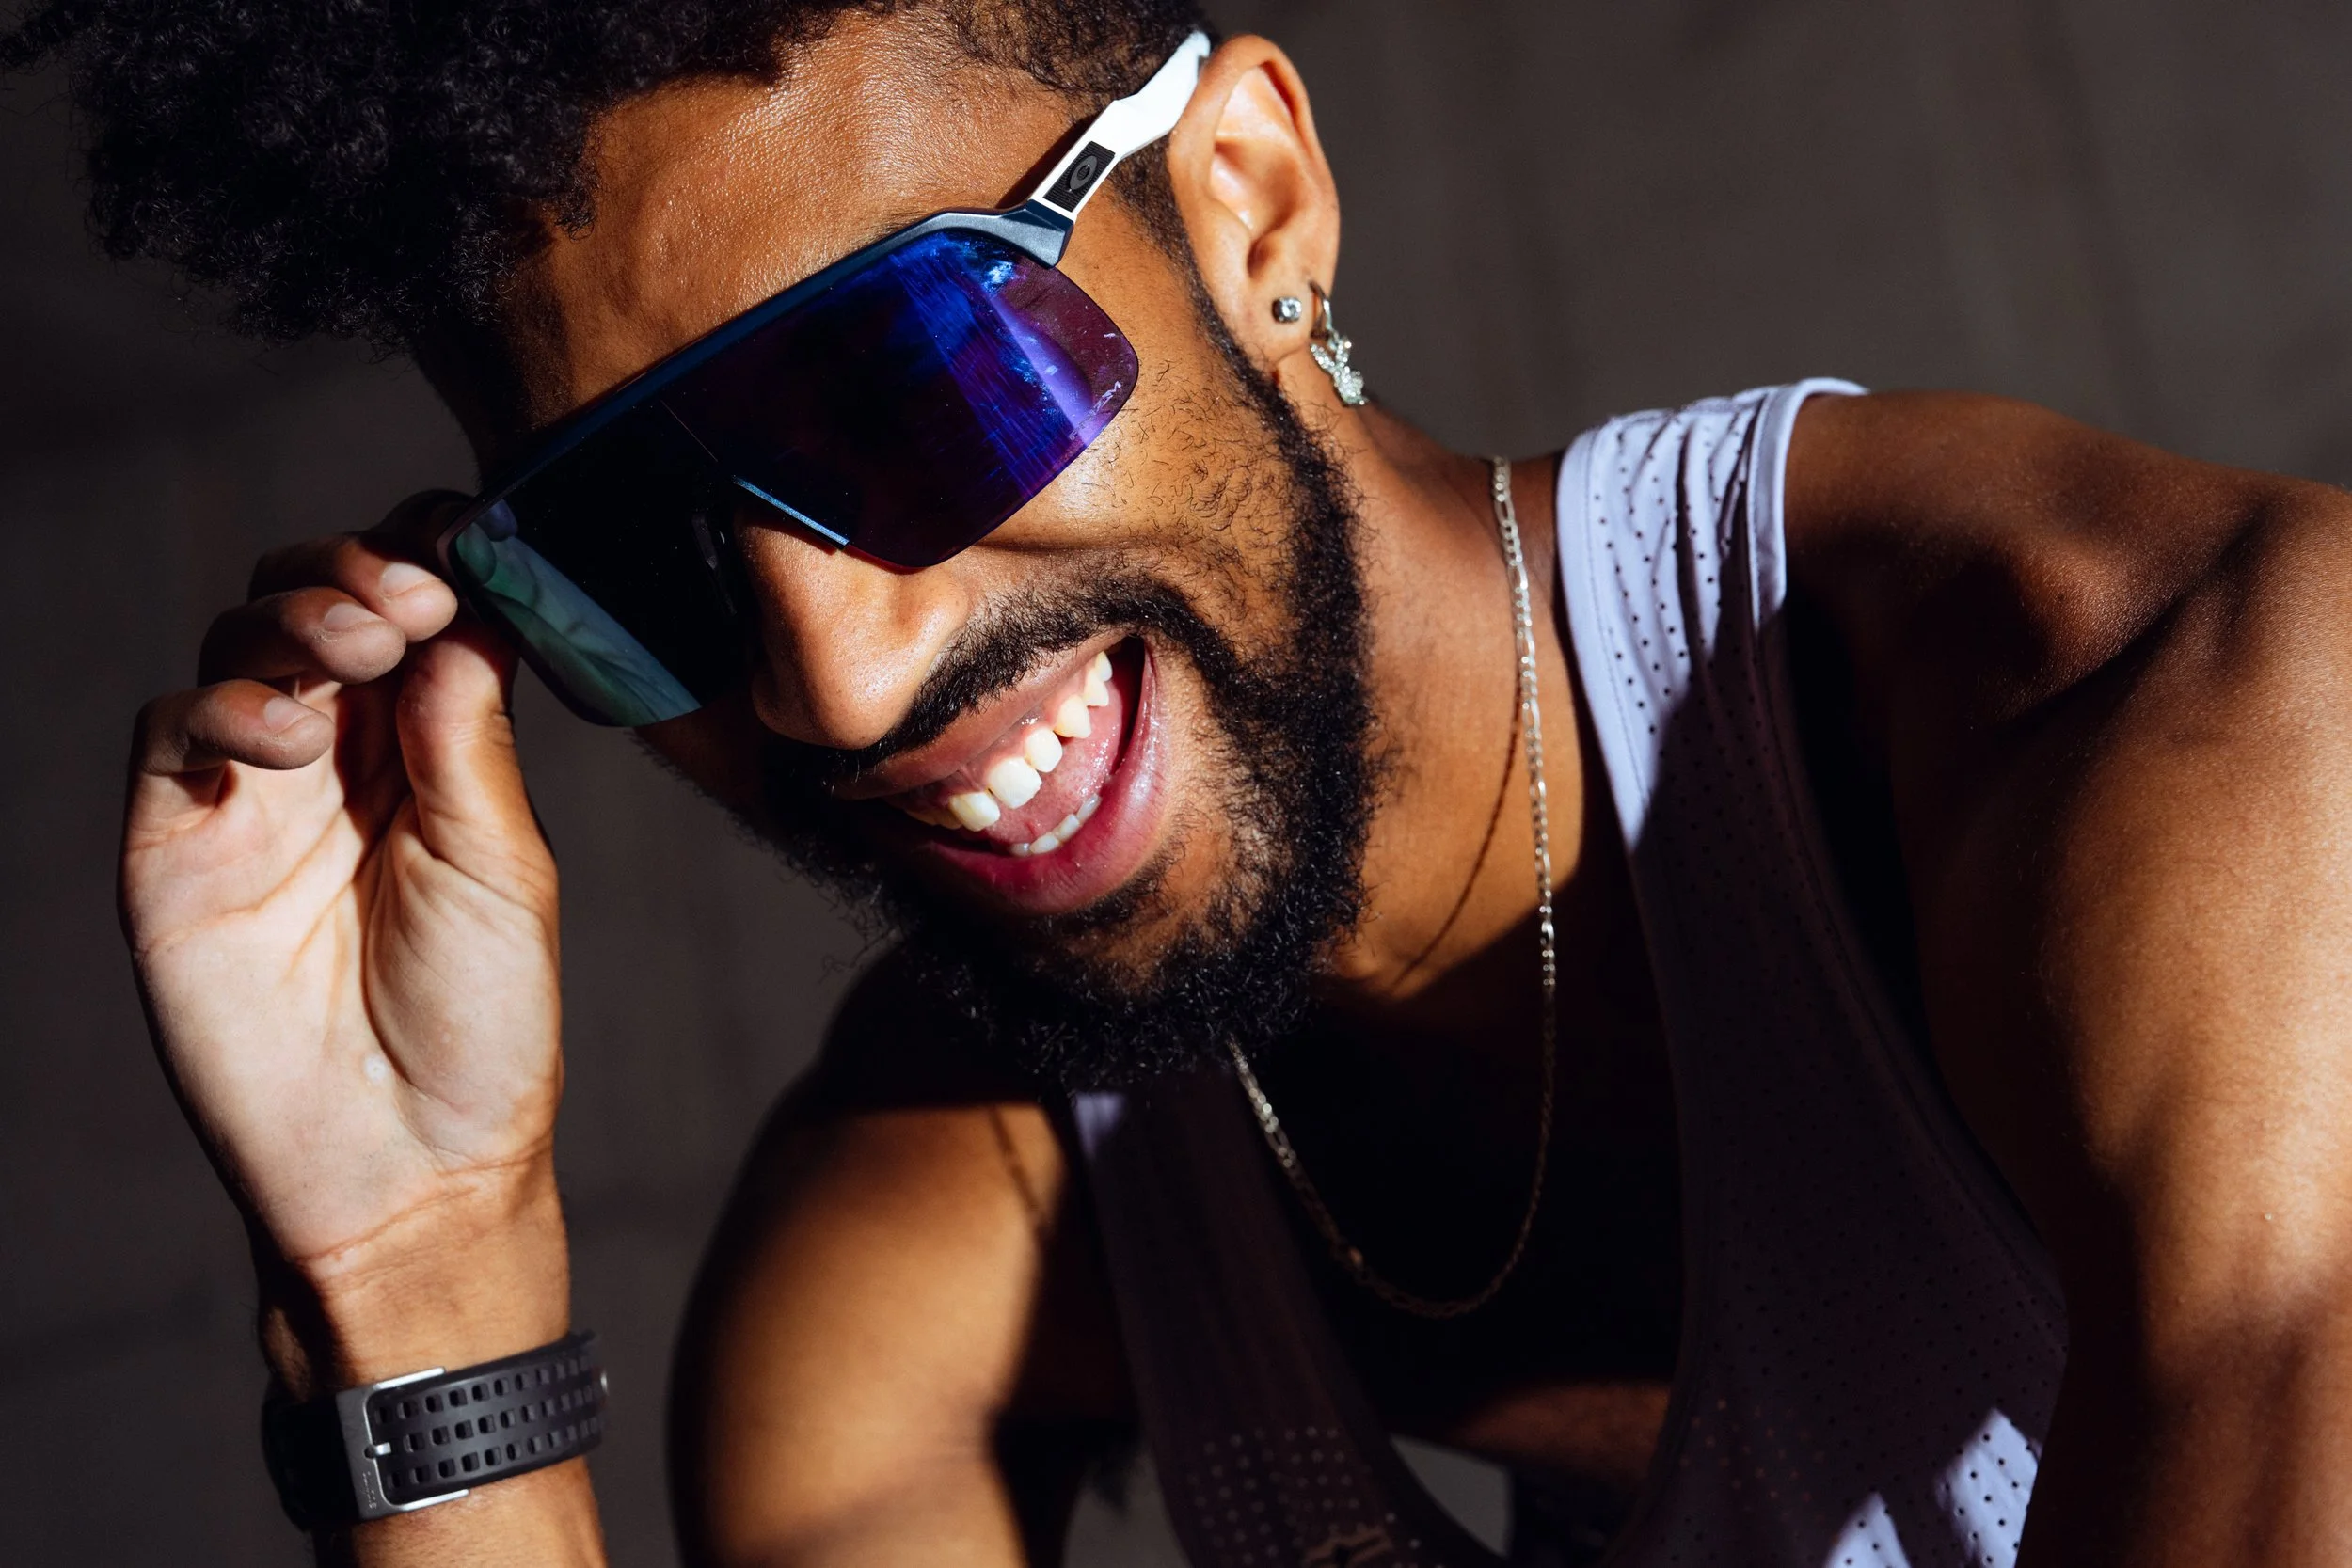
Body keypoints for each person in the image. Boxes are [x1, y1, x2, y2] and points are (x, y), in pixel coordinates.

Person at [19, 0, 2352, 1562]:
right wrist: (414, 1279)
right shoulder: (931, 1244)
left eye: (908, 387)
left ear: (1246, 204)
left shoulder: (2209, 736)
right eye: (634, 547)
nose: (834, 675)